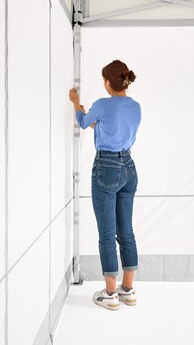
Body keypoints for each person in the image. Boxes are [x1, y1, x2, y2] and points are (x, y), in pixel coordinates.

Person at [69, 59, 141, 311]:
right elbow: (116, 126)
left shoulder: (102, 104)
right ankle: (128, 290)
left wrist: (76, 104)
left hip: (107, 168)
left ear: (108, 82)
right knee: (127, 231)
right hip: (129, 167)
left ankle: (110, 293)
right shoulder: (136, 106)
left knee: (107, 233)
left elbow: (83, 122)